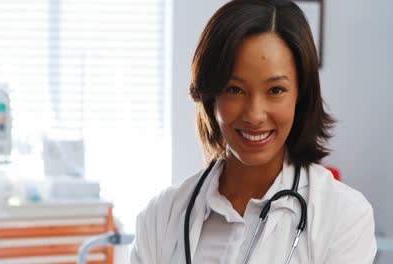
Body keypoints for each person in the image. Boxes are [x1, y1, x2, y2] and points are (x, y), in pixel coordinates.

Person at [130, 0, 377, 263]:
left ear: (300, 96)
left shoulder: (344, 216)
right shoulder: (160, 217)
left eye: (275, 90)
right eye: (235, 89)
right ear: (211, 96)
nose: (254, 115)